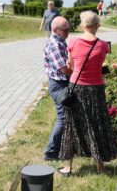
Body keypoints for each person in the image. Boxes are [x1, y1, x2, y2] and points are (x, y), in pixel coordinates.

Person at [58, 11, 117, 176]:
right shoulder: (103, 46)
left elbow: (70, 68)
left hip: (77, 88)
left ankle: (68, 167)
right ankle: (100, 167)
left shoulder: (73, 42)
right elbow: (99, 66)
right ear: (97, 26)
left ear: (83, 26)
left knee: (71, 125)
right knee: (96, 125)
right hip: (96, 89)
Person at [43, 16, 72, 160]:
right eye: (64, 29)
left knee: (66, 116)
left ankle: (62, 146)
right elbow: (65, 69)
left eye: (68, 28)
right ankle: (51, 152)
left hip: (61, 83)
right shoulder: (55, 44)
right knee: (63, 117)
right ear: (55, 30)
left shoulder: (60, 41)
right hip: (58, 85)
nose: (67, 31)